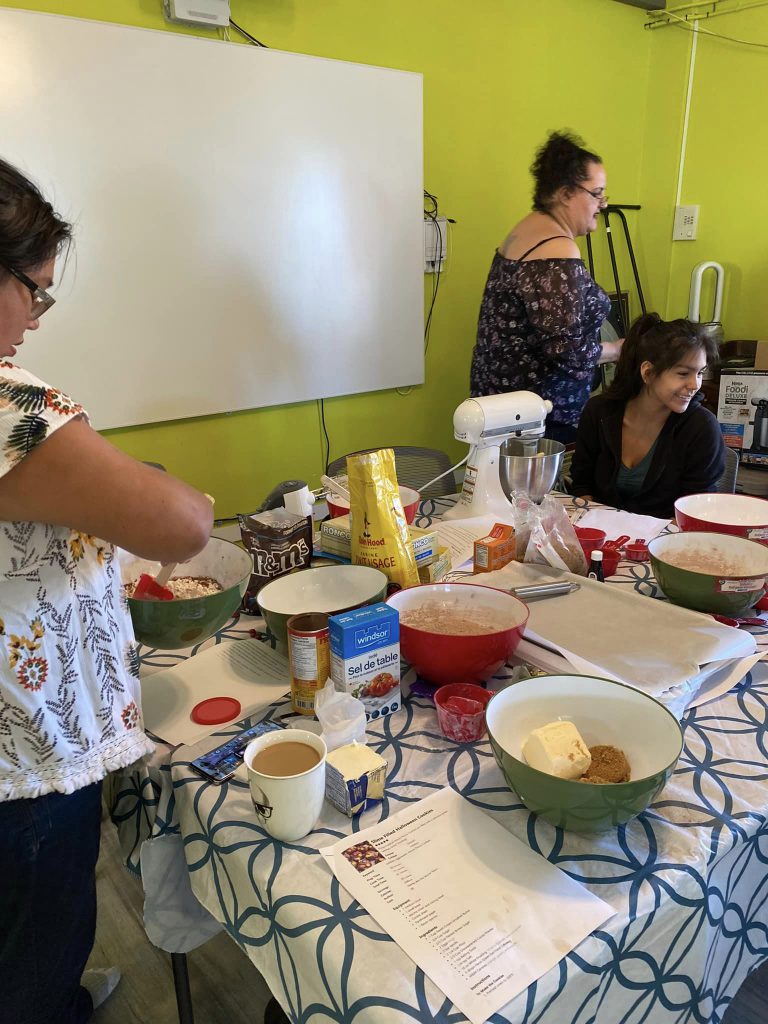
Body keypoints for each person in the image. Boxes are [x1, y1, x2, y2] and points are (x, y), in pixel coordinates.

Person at [0, 157, 214, 1023]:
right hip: (27, 755)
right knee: (38, 939)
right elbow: (185, 524)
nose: (36, 321)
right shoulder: (14, 410)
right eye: (34, 291)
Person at [470, 130, 622, 444]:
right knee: (531, 494)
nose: (602, 204)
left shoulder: (528, 230)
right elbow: (564, 349)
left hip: (504, 408)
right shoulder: (556, 248)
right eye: (597, 193)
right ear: (565, 193)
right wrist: (619, 350)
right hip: (538, 418)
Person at [570, 313, 725, 518]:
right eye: (683, 373)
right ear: (648, 372)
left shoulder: (701, 427)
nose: (695, 385)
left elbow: (696, 510)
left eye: (699, 373)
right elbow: (582, 483)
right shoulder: (599, 412)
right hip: (601, 539)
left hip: (666, 544)